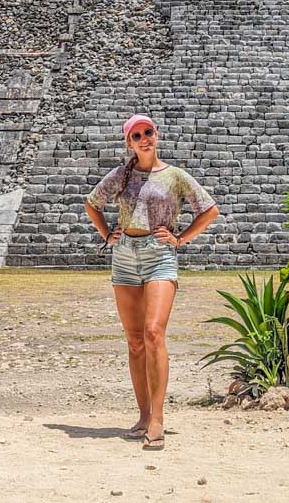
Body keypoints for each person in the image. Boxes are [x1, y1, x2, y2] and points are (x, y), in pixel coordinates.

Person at [83, 114, 220, 451]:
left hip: (160, 255)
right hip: (125, 257)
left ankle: (157, 419)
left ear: (156, 135)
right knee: (134, 340)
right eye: (137, 135)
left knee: (154, 332)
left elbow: (209, 210)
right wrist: (107, 234)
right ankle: (143, 415)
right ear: (129, 143)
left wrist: (181, 238)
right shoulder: (121, 175)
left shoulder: (174, 176)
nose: (144, 138)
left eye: (148, 132)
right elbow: (91, 204)